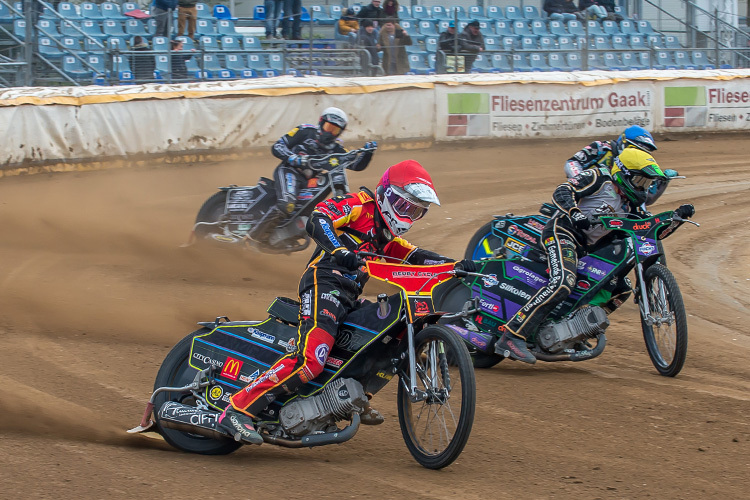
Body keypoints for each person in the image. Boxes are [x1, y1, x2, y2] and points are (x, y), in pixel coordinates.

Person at [217, 160, 478, 443]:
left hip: (349, 296)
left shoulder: (386, 237)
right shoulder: (360, 205)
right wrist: (339, 250)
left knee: (384, 337)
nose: (408, 216)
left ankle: (353, 396)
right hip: (323, 282)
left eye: (416, 212)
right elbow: (319, 218)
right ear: (387, 195)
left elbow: (415, 256)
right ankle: (237, 409)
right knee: (311, 360)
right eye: (405, 207)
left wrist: (456, 265)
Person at [495, 148, 695, 364]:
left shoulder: (632, 204)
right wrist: (574, 213)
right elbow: (562, 191)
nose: (642, 188)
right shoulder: (599, 177)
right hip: (562, 233)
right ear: (624, 174)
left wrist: (675, 220)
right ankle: (512, 335)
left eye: (646, 183)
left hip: (588, 249)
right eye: (639, 180)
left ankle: (573, 330)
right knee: (563, 282)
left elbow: (651, 232)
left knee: (622, 289)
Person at [250, 107, 375, 241]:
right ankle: (252, 237)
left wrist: (368, 153)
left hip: (308, 181)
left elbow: (356, 165)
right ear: (321, 122)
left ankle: (285, 233)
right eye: (329, 127)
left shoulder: (337, 149)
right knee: (287, 204)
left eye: (335, 130)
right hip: (289, 171)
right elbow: (278, 146)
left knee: (309, 212)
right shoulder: (305, 131)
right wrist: (293, 157)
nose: (330, 133)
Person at [563, 125, 677, 205]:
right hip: (586, 193)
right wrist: (581, 180)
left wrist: (662, 182)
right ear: (623, 142)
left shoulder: (637, 165)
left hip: (616, 202)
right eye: (636, 148)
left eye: (644, 152)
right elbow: (572, 163)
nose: (639, 153)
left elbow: (645, 198)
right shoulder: (602, 148)